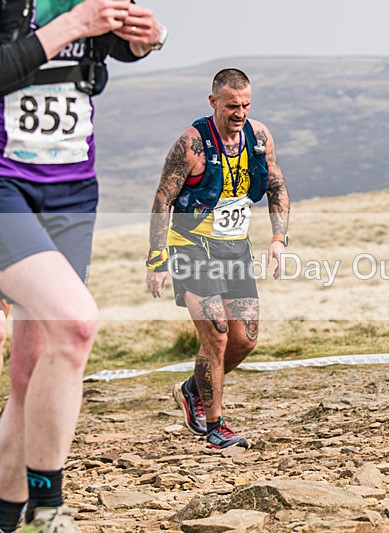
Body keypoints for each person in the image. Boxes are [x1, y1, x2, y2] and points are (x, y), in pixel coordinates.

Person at [0, 0, 167, 531]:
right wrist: (73, 25)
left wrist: (148, 38)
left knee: (35, 367)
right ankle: (47, 510)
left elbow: (114, 44)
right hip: (4, 184)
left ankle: (7, 516)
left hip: (71, 189)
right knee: (76, 324)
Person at [146, 68, 290, 453]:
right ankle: (215, 427)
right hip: (191, 247)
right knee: (218, 334)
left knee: (245, 339)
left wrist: (278, 239)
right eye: (231, 106)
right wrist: (157, 259)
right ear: (213, 102)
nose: (239, 113)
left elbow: (275, 184)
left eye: (245, 105)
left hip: (234, 247)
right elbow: (162, 201)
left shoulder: (258, 136)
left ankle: (192, 390)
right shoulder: (191, 144)